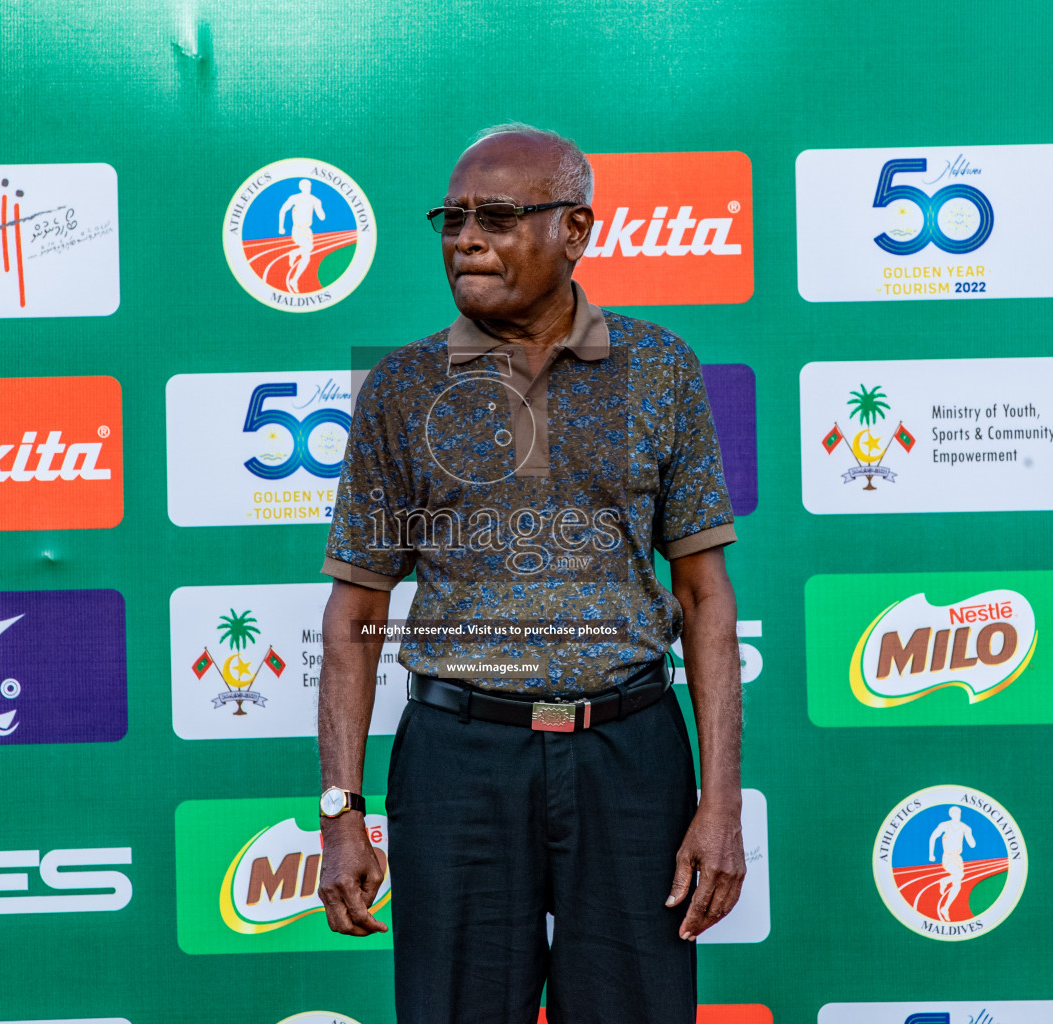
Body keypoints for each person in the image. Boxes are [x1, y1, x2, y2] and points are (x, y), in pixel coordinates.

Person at [315, 122, 744, 1024]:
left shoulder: (660, 369)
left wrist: (721, 804)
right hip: (458, 763)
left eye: (498, 217)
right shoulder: (401, 388)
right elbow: (355, 608)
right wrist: (340, 810)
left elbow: (705, 595)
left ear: (576, 229)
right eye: (453, 217)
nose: (465, 238)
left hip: (629, 758)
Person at [928, 806, 975, 922]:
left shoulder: (965, 827)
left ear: (960, 814)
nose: (956, 815)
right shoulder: (944, 825)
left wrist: (969, 833)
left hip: (958, 858)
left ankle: (945, 908)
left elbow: (972, 844)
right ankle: (943, 881)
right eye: (954, 813)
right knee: (959, 875)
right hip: (948, 857)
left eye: (958, 813)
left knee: (957, 886)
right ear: (950, 814)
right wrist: (931, 854)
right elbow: (933, 837)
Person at [278, 178, 324, 293]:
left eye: (309, 186)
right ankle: (293, 253)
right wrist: (281, 227)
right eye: (305, 186)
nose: (307, 188)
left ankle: (294, 280)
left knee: (306, 258)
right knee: (309, 247)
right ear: (301, 187)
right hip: (297, 229)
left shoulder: (315, 200)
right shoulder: (295, 198)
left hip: (307, 231)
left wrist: (319, 207)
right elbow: (283, 210)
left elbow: (322, 217)